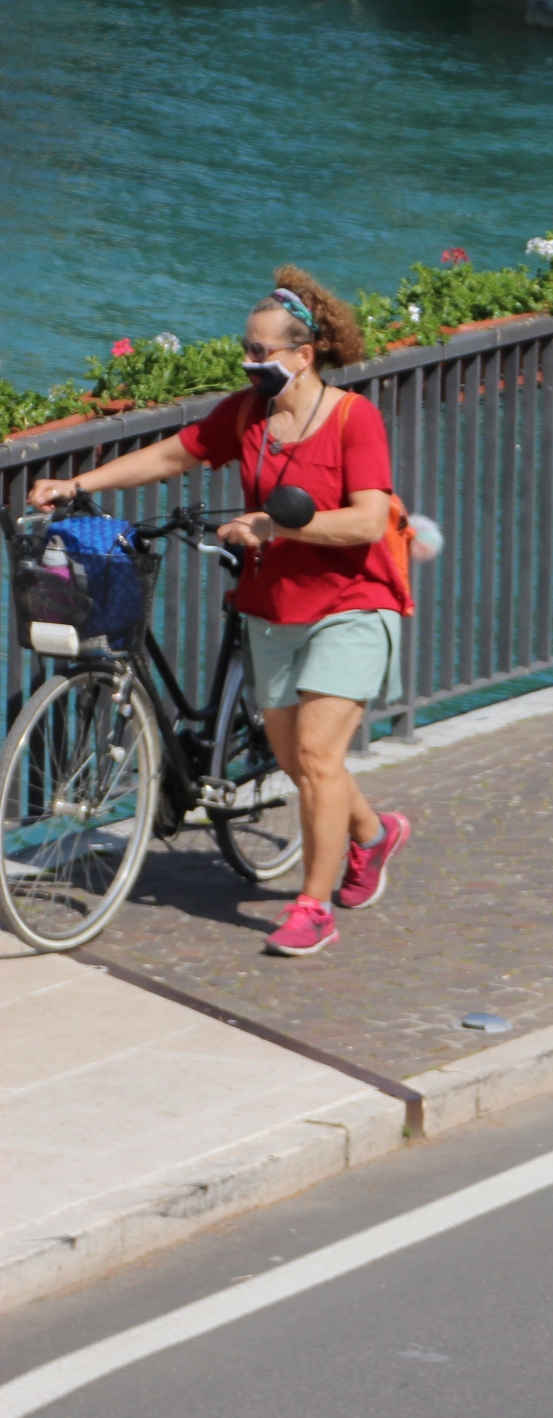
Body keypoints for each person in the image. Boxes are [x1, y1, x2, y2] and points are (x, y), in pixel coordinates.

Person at [28, 271, 413, 957]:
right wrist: (76, 483)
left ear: (305, 353)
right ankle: (375, 835)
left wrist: (276, 527)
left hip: (354, 603)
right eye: (247, 349)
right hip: (273, 606)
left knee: (320, 757)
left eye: (266, 352)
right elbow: (175, 454)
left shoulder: (356, 419)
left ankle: (311, 905)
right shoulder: (247, 416)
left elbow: (368, 520)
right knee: (298, 760)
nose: (252, 362)